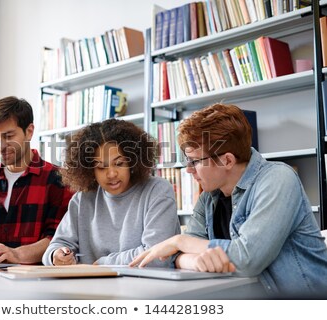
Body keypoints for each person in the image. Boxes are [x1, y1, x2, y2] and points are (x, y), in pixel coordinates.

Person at [130, 103, 327, 298]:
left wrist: (179, 240)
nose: (188, 169)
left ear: (227, 161)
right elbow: (174, 257)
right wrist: (195, 260)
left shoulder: (278, 178)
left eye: (195, 161)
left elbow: (247, 259)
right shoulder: (209, 196)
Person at [42, 118, 181, 266]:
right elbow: (57, 246)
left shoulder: (157, 191)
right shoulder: (82, 199)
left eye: (119, 164)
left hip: (146, 286)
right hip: (91, 287)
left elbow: (156, 257)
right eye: (101, 167)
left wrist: (102, 264)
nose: (112, 174)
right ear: (89, 170)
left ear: (132, 160)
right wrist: (56, 256)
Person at [0, 96, 73, 264]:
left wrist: (15, 254)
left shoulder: (58, 180)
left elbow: (59, 239)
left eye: (8, 136)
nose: (0, 146)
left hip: (35, 279)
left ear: (29, 132)